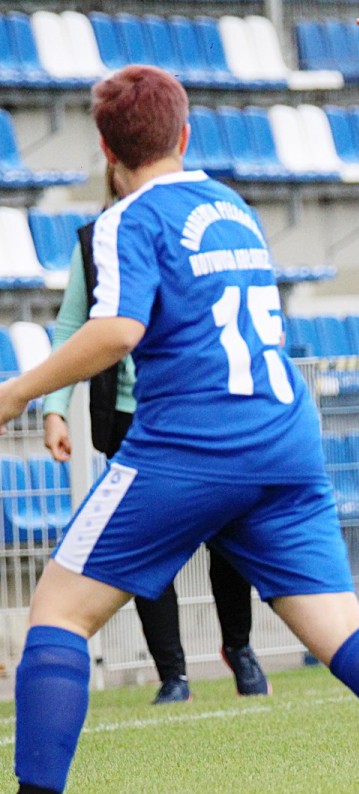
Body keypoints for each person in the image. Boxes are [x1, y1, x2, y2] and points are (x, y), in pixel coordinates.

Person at [0, 65, 359, 794]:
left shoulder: (125, 221)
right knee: (341, 629)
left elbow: (116, 329)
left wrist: (19, 392)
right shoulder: (230, 205)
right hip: (284, 438)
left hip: (194, 443)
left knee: (57, 613)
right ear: (184, 135)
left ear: (106, 151)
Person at [42, 166, 269, 706]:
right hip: (131, 419)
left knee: (228, 535)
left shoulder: (192, 229)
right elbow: (73, 325)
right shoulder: (95, 241)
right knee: (150, 547)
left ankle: (239, 647)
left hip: (194, 411)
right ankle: (173, 673)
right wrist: (54, 408)